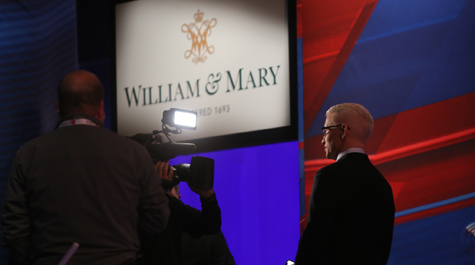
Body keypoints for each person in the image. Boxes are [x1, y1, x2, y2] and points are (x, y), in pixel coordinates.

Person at [1, 70, 170, 265]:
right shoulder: (134, 153)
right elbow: (157, 217)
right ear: (101, 109)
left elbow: (15, 230)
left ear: (58, 108)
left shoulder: (28, 155)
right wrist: (125, 243)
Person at [295, 103, 395, 265]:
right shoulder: (382, 185)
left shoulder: (329, 176)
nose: (322, 140)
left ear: (342, 130)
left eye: (326, 131)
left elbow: (314, 241)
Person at [129, 134, 222, 265]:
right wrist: (160, 192)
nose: (162, 165)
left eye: (163, 160)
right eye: (155, 160)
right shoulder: (124, 200)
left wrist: (206, 194)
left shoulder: (172, 205)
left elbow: (210, 226)